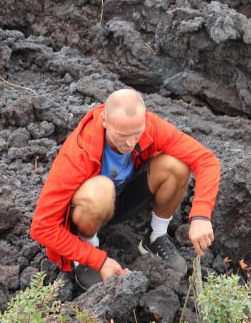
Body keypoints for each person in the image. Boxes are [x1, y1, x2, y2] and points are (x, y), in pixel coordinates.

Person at [30, 88, 220, 291]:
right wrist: (99, 260)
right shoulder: (78, 153)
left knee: (177, 166)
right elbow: (42, 227)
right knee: (101, 189)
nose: (130, 143)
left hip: (123, 198)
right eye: (121, 135)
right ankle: (87, 246)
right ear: (104, 120)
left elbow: (206, 159)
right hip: (90, 208)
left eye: (136, 134)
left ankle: (155, 237)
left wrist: (200, 215)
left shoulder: (149, 126)